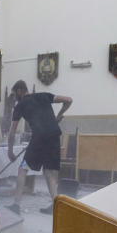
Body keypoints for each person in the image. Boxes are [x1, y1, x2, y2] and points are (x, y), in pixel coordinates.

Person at [5, 80, 73, 215]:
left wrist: (10, 150)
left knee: (23, 168)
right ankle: (56, 205)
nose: (15, 99)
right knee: (49, 172)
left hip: (39, 137)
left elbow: (12, 131)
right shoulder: (44, 95)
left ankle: (16, 205)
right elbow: (69, 100)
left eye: (14, 95)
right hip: (54, 136)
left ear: (19, 91)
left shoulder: (21, 105)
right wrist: (57, 116)